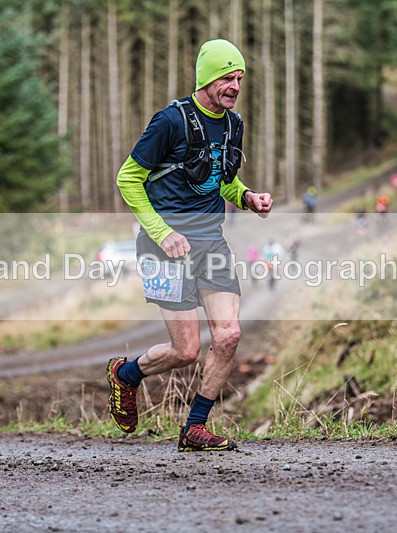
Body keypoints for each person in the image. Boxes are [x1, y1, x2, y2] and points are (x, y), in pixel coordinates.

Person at [108, 39, 273, 452]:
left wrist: (247, 197)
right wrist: (163, 232)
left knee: (229, 334)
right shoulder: (170, 121)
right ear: (207, 78)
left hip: (210, 242)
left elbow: (222, 180)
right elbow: (128, 178)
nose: (235, 86)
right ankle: (125, 375)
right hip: (165, 246)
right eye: (227, 78)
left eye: (240, 78)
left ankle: (195, 427)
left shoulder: (233, 124)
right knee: (185, 350)